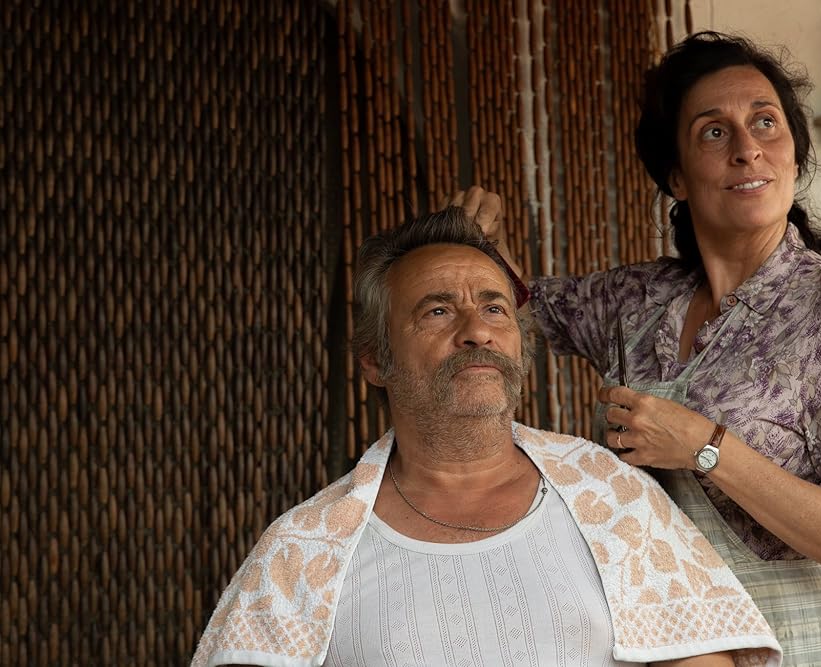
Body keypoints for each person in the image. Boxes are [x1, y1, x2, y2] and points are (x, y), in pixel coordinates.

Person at [453, 31, 821, 667]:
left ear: (793, 152)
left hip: (799, 649)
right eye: (714, 131)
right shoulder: (639, 302)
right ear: (676, 175)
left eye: (765, 123)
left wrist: (705, 446)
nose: (748, 148)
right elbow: (524, 316)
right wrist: (482, 243)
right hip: (663, 649)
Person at [191, 208, 781, 667]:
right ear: (374, 361)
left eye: (495, 309)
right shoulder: (304, 551)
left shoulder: (612, 498)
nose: (477, 331)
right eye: (438, 312)